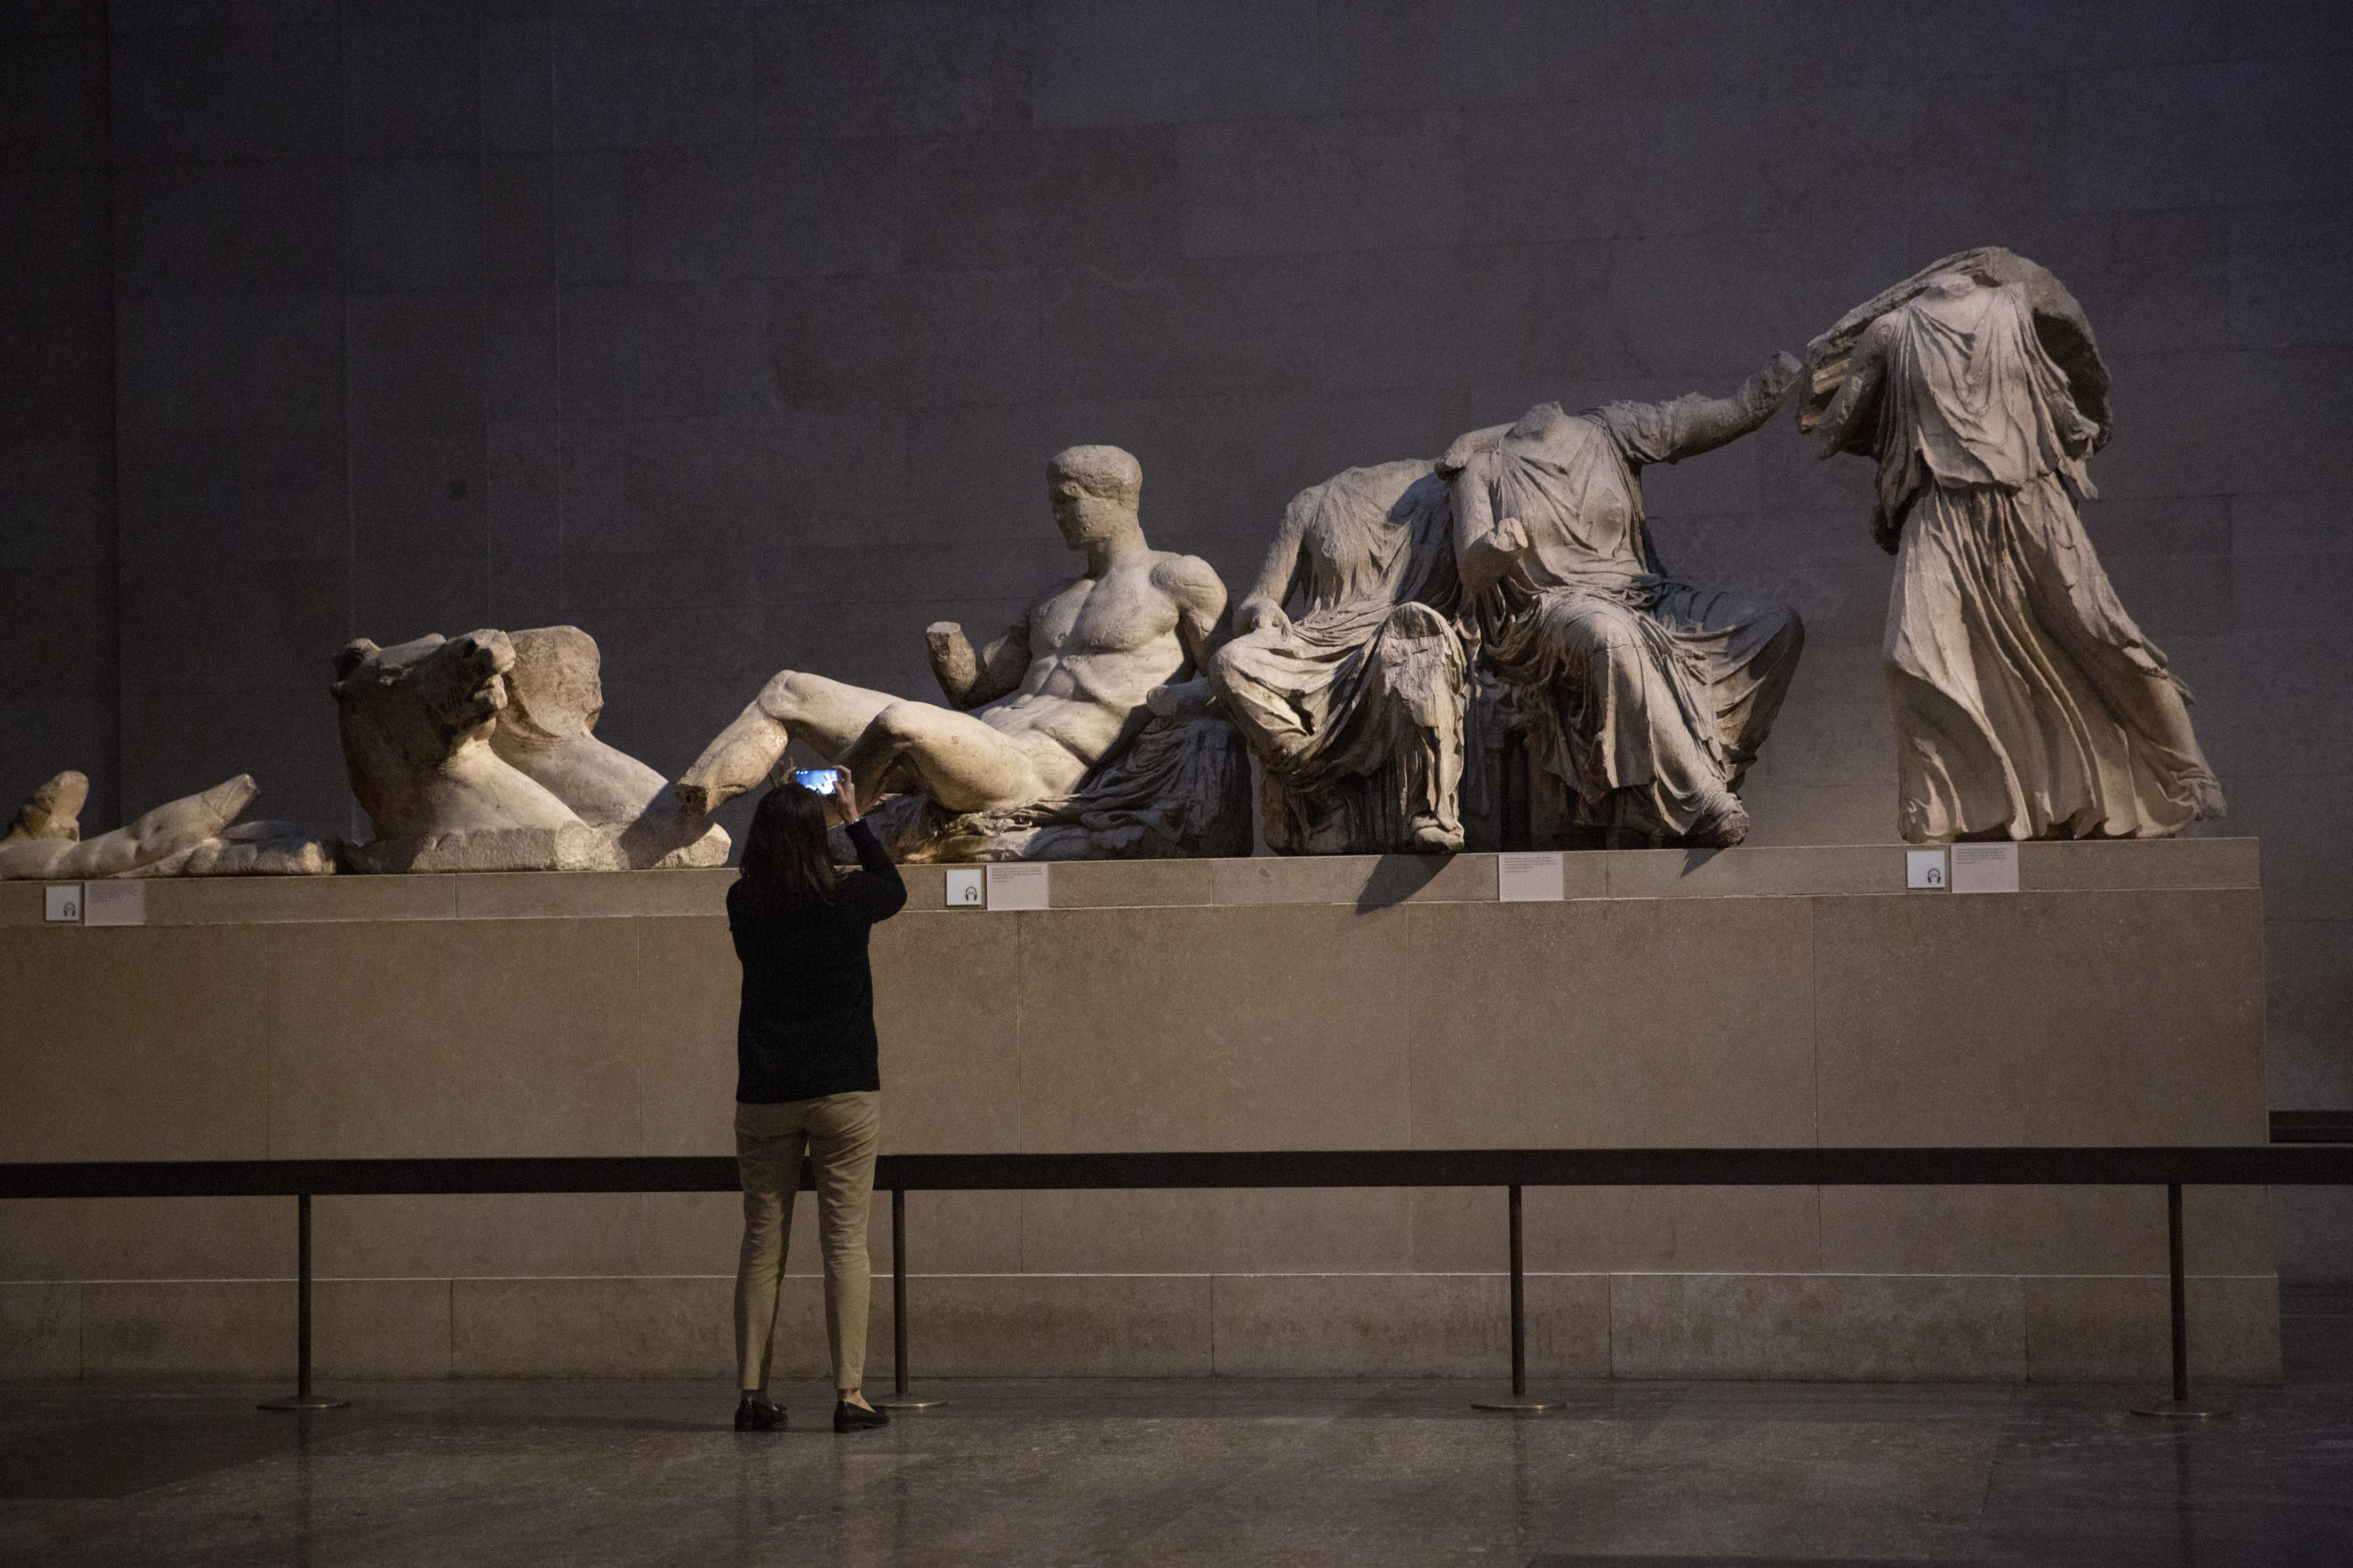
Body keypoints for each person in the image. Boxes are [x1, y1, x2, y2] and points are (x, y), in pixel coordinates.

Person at [1802, 249, 2225, 841]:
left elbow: (1828, 434)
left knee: (2096, 630)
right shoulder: (1898, 330)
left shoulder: (1998, 311)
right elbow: (1829, 431)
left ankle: (2187, 770)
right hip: (1944, 510)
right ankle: (1941, 812)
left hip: (2029, 502)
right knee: (1915, 655)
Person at [676, 445, 1227, 822]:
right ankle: (678, 814)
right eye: (1054, 501)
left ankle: (813, 803)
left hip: (1044, 768)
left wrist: (1172, 699)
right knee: (789, 689)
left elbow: (1231, 677)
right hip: (983, 741)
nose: (1057, 514)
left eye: (1069, 500)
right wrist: (946, 642)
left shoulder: (1177, 578)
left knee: (900, 722)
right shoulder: (1054, 599)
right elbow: (975, 690)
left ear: (1115, 498)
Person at [1445, 354, 1808, 846]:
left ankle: (1706, 763)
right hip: (1548, 611)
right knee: (1610, 636)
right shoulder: (1482, 466)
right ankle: (1698, 799)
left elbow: (1697, 423)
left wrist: (1761, 395)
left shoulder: (1610, 431)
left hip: (1643, 596)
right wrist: (1496, 547)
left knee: (1775, 625)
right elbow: (1471, 569)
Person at [726, 767, 906, 1435]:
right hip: (844, 1089)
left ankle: (752, 1394)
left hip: (766, 1091)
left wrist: (781, 801)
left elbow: (769, 879)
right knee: (844, 1245)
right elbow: (896, 887)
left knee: (761, 1244)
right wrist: (852, 814)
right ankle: (849, 1393)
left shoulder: (742, 903)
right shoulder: (850, 899)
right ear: (819, 836)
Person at [1210, 460, 1469, 853]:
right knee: (1229, 664)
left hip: (1403, 633)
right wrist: (1262, 612)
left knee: (1412, 638)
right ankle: (1323, 793)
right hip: (1316, 643)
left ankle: (1426, 811)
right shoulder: (1311, 504)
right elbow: (1258, 599)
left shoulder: (1452, 491)